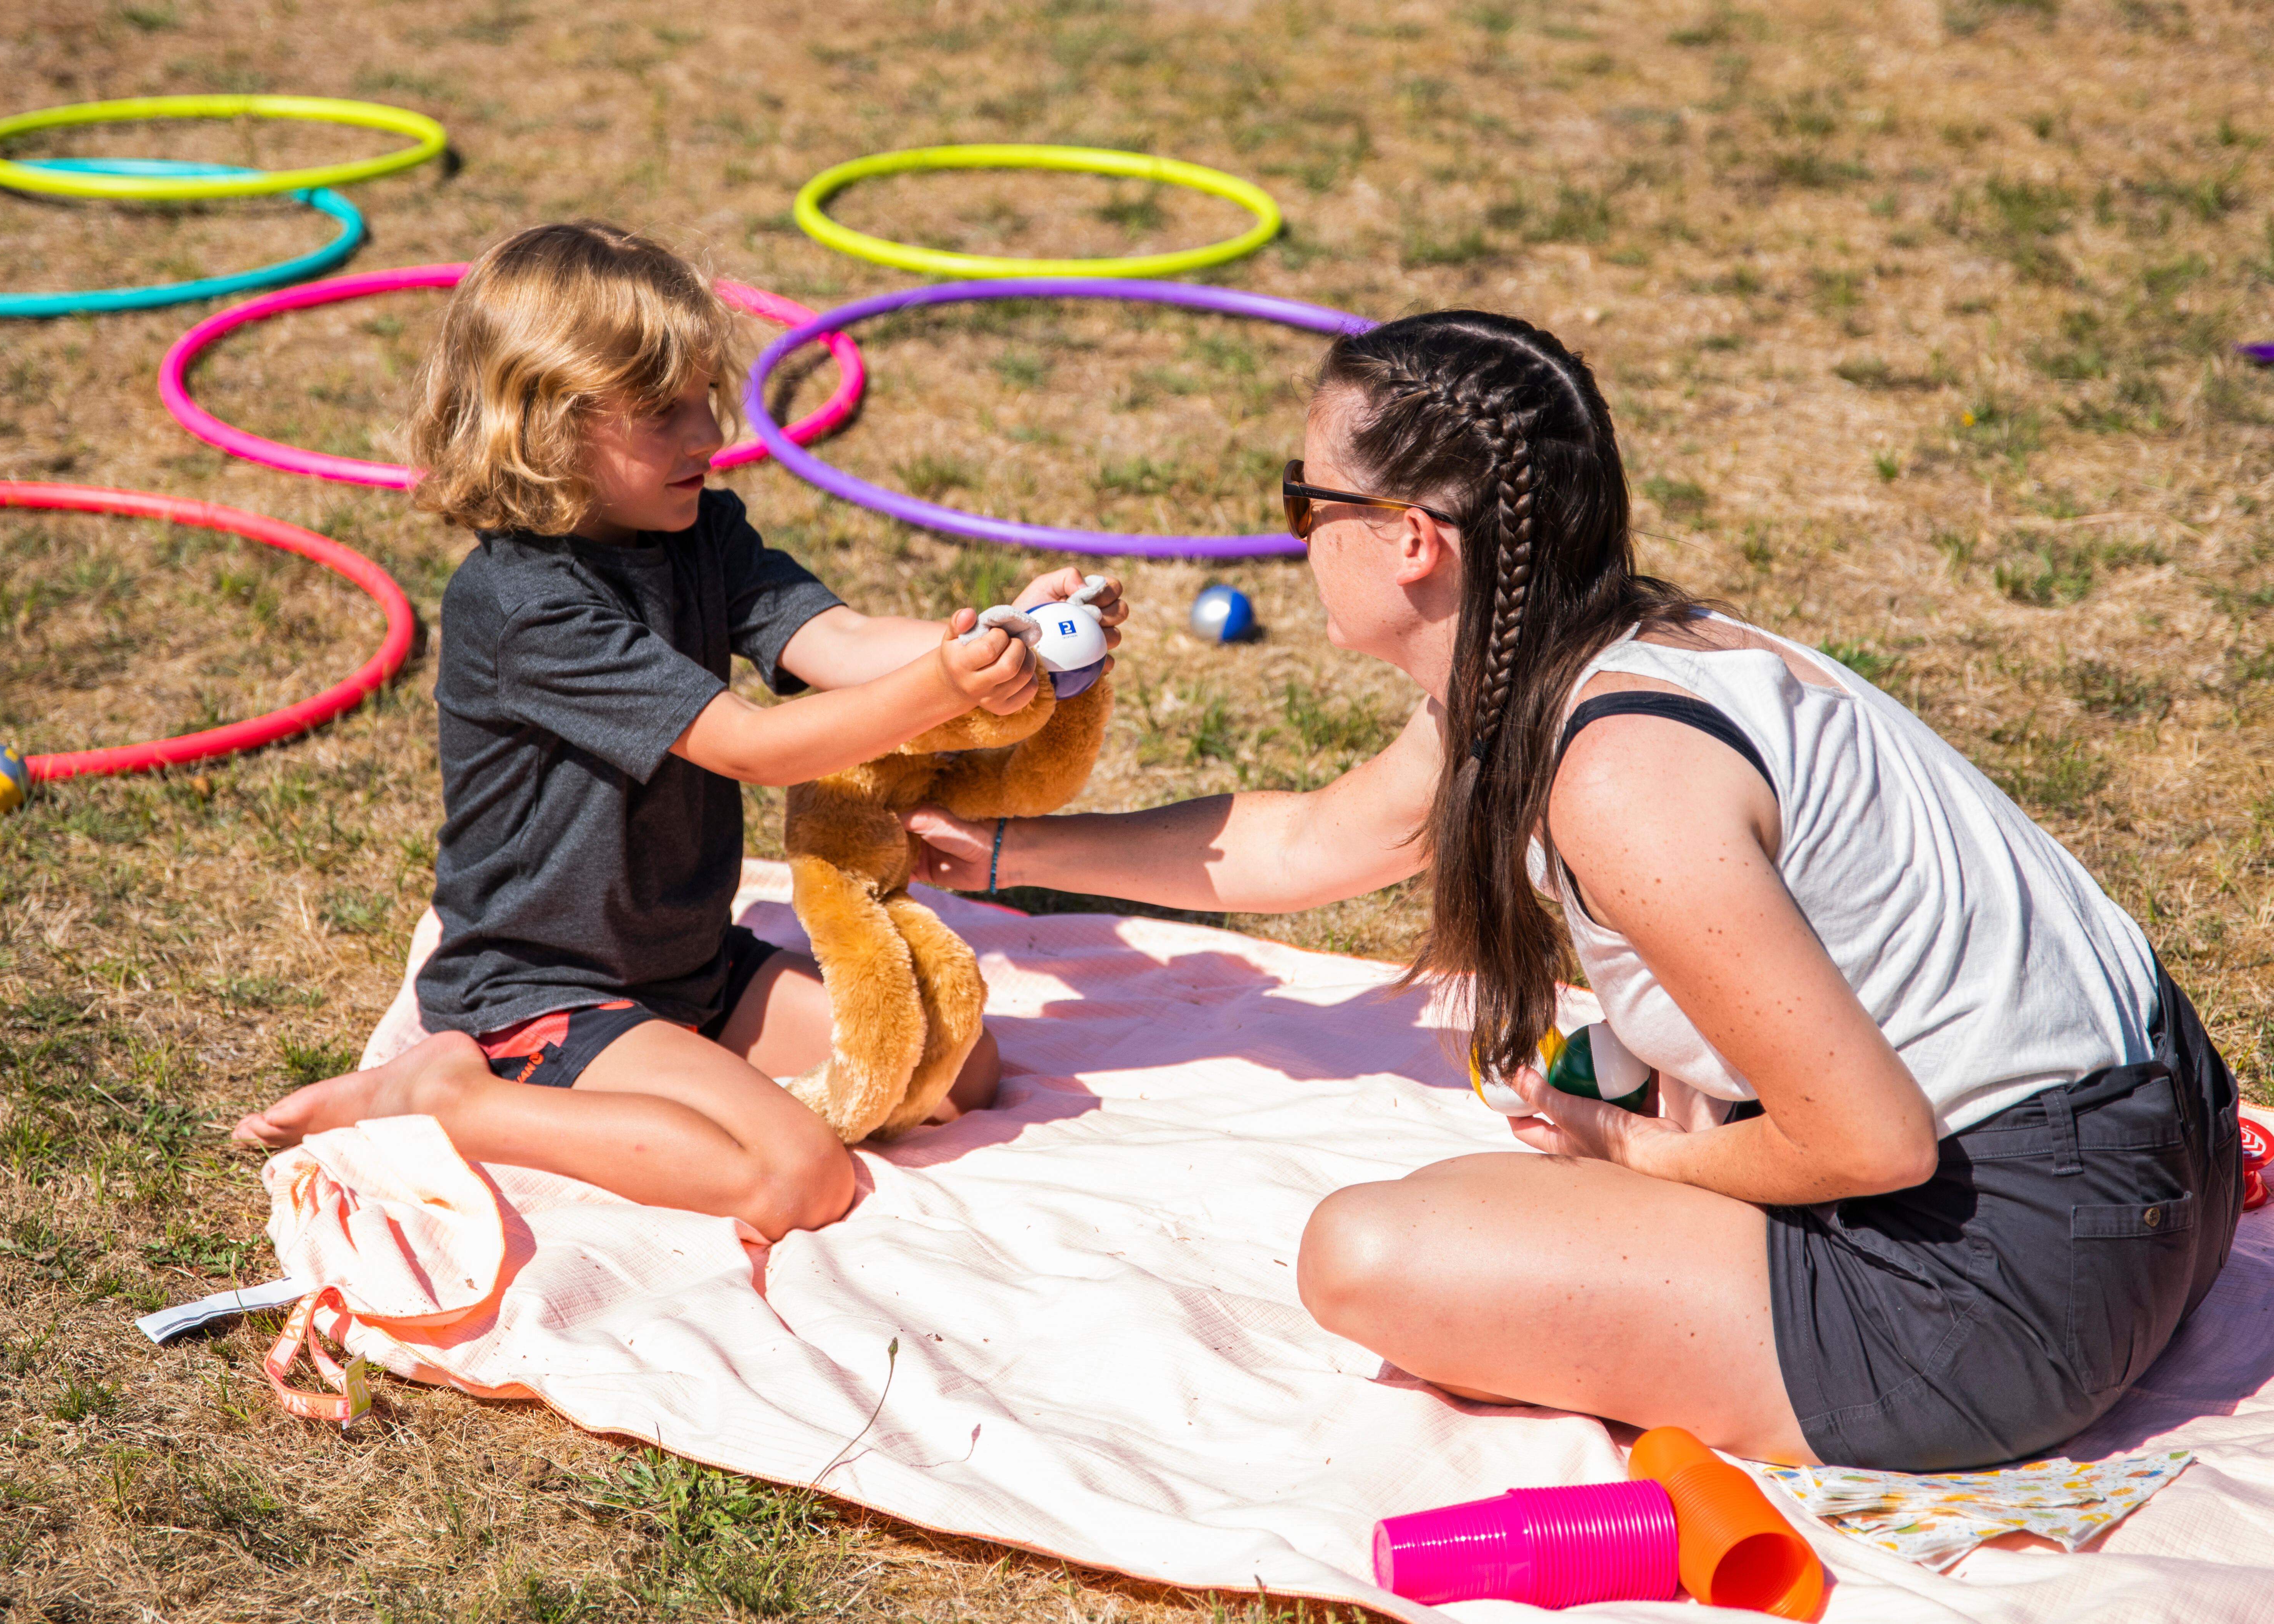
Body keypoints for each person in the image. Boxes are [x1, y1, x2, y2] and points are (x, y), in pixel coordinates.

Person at [904, 309, 2239, 1470]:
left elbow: (1871, 1144)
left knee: (1370, 1258)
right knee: (1593, 1086)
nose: (1294, 535)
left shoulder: (1616, 774)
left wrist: (1636, 1154)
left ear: (1414, 541)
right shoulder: (1599, 655)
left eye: (1305, 502)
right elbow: (1312, 842)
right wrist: (1012, 853)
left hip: (2016, 1282)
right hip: (2168, 1162)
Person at [232, 222, 1127, 1242]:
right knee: (797, 1179)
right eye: (664, 412)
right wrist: (940, 687)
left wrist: (1001, 633)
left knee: (956, 1066)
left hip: (686, 963)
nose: (708, 434)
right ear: (547, 424)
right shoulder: (526, 606)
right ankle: (448, 1099)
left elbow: (835, 640)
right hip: (544, 991)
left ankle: (658, 1071)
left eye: (707, 396)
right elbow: (751, 745)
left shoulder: (704, 531)